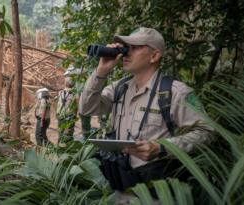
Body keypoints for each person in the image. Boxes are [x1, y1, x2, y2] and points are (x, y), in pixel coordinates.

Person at [79, 27, 214, 204]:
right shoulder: (120, 88)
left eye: (134, 48)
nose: (126, 52)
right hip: (123, 193)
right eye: (125, 47)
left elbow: (207, 132)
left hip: (160, 196)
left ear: (154, 56)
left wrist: (163, 148)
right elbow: (87, 109)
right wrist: (101, 72)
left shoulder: (175, 93)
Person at [56, 77, 78, 144]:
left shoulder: (60, 92)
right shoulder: (74, 93)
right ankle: (68, 148)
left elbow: (58, 103)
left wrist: (57, 114)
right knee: (69, 133)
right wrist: (75, 115)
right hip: (70, 116)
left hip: (61, 114)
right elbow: (75, 106)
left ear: (67, 83)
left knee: (61, 133)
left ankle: (59, 147)